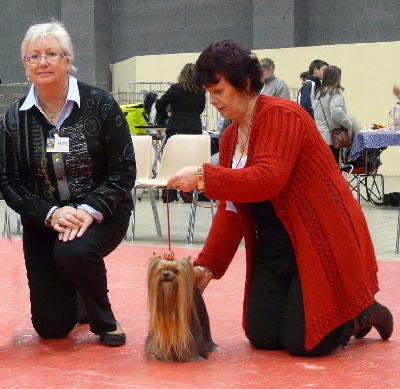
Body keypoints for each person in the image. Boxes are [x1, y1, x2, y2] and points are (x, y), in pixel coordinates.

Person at [167, 39, 393, 357]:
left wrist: (205, 177)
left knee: (306, 343)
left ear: (245, 84)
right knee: (263, 336)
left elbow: (266, 179)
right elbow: (231, 209)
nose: (213, 100)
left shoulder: (282, 116)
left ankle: (362, 312)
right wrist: (206, 268)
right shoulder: (231, 136)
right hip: (274, 248)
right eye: (209, 93)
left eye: (218, 91)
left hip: (318, 241)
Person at [0, 21, 136, 347]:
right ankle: (76, 294)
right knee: (51, 328)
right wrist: (50, 214)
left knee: (73, 249)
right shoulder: (14, 117)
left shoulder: (100, 104)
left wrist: (88, 210)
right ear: (25, 64)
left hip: (103, 212)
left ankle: (104, 320)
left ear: (68, 59)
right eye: (33, 57)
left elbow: (124, 170)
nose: (42, 62)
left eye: (51, 54)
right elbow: (9, 181)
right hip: (44, 221)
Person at [156, 63, 206, 202]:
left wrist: (166, 115)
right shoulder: (201, 91)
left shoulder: (175, 89)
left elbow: (160, 104)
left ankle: (169, 195)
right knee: (191, 162)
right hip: (194, 129)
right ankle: (189, 195)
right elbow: (201, 109)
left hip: (176, 129)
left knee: (171, 162)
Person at [313, 66, 352, 164]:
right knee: (334, 168)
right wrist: (349, 125)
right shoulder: (335, 91)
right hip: (332, 137)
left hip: (319, 136)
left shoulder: (319, 93)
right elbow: (336, 112)